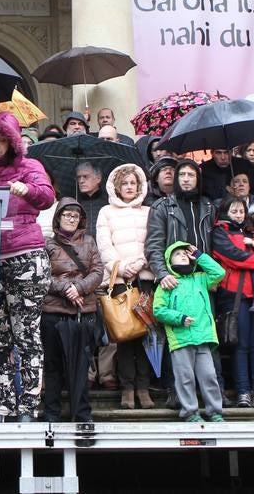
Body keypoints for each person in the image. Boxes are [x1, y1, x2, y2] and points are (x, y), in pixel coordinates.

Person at [0, 111, 55, 422]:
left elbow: (47, 196)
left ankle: (29, 407)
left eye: (1, 139)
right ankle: (3, 406)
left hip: (26, 258)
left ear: (13, 142)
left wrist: (26, 190)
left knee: (27, 334)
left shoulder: (30, 167)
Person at [95, 163, 154, 409]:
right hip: (120, 281)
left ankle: (143, 387)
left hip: (145, 279)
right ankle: (127, 388)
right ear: (117, 187)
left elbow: (155, 240)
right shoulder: (106, 212)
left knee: (146, 336)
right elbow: (104, 245)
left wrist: (141, 262)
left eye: (133, 183)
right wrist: (121, 266)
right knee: (125, 336)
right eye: (125, 183)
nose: (129, 187)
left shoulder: (149, 211)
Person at [211, 196, 254, 409]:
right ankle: (242, 393)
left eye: (241, 211)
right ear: (225, 212)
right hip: (235, 295)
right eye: (234, 211)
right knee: (240, 346)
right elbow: (234, 257)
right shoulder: (220, 233)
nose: (238, 215)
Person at [41, 199, 103, 422]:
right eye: (66, 215)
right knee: (52, 366)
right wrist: (66, 288)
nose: (71, 219)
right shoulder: (46, 244)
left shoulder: (89, 241)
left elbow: (98, 271)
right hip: (53, 311)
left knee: (80, 367)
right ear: (58, 218)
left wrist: (79, 287)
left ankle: (81, 415)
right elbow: (41, 275)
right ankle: (51, 414)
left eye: (75, 216)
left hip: (82, 313)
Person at [155, 242, 226, 422]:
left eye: (185, 253)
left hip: (203, 337)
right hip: (180, 338)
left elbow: (219, 272)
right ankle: (190, 412)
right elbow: (158, 310)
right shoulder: (168, 283)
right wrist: (179, 318)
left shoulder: (201, 278)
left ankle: (215, 411)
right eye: (177, 253)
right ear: (169, 260)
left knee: (209, 376)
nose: (183, 255)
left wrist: (200, 255)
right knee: (185, 379)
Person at [146, 159, 215, 284]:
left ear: (198, 179)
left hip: (204, 277)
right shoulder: (162, 207)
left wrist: (214, 278)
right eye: (182, 174)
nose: (186, 179)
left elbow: (215, 245)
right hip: (175, 277)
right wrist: (162, 274)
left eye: (191, 175)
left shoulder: (208, 206)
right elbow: (154, 245)